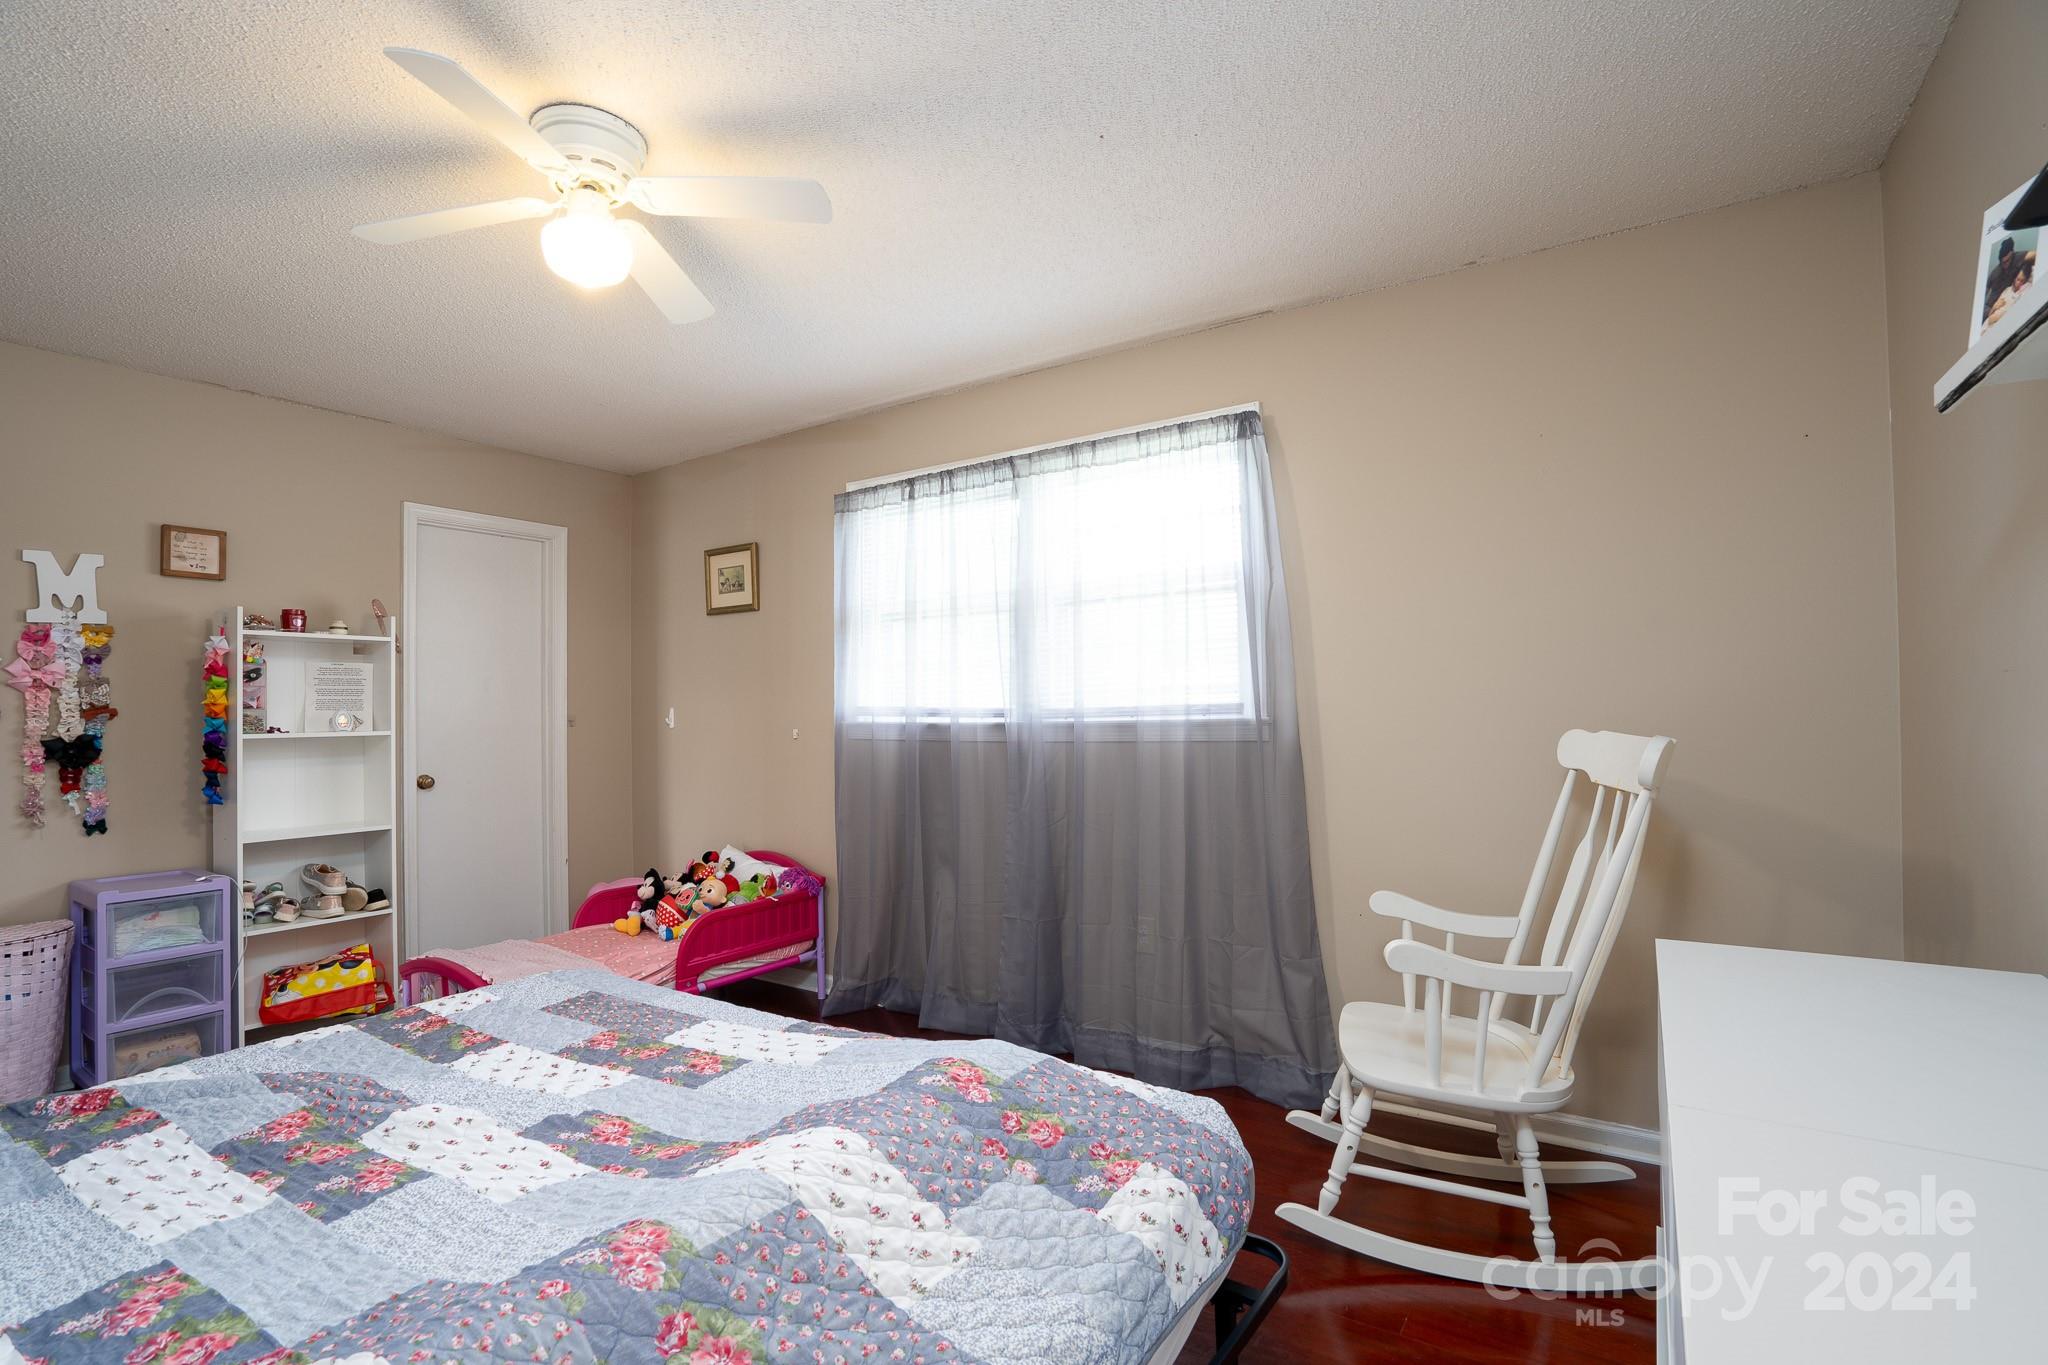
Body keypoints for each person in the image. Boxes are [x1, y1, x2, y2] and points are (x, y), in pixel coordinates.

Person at [1983, 236, 2037, 327]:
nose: (2004, 265)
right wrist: (1992, 308)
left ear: (2012, 254)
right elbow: (1979, 300)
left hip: (2005, 303)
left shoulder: (2017, 258)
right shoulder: (1995, 273)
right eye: (2002, 262)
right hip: (1990, 307)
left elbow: (2036, 254)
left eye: (2007, 261)